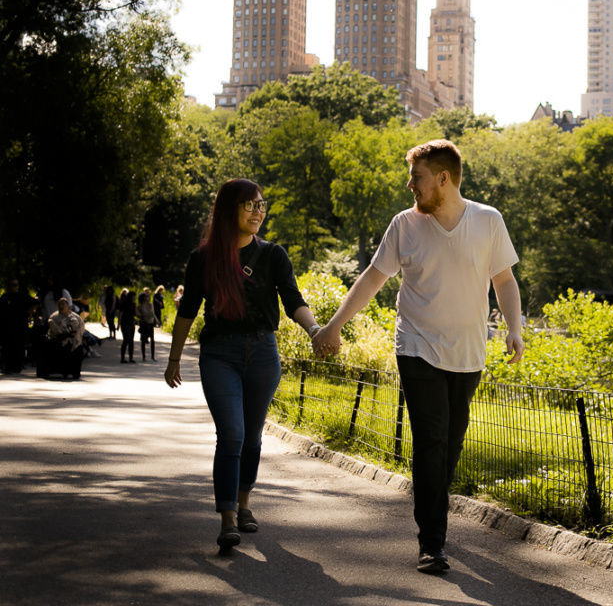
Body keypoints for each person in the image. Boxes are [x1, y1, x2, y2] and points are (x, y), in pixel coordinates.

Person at [314, 139, 524, 575]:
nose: (410, 184)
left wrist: (515, 329)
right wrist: (334, 325)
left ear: (443, 179)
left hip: (468, 352)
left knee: (449, 442)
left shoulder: (488, 221)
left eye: (418, 177)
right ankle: (432, 543)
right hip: (416, 346)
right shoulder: (404, 225)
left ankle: (434, 509)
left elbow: (503, 280)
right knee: (431, 439)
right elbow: (373, 278)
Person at [165, 178, 321, 552]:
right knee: (232, 434)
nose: (257, 212)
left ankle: (245, 502)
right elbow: (187, 311)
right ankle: (228, 518)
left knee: (252, 437)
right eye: (249, 205)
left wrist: (315, 329)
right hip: (220, 355)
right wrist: (173, 359)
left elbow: (293, 299)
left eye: (261, 205)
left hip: (263, 354)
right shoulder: (203, 258)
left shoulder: (273, 255)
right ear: (228, 209)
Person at [1, 278, 36, 374]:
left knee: (19, 346)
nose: (15, 287)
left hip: (20, 326)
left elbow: (35, 302)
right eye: (13, 285)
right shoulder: (5, 296)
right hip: (7, 326)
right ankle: (8, 366)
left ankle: (17, 366)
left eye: (16, 285)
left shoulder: (22, 296)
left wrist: (30, 313)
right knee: (8, 347)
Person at [44, 297, 84, 379]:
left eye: (63, 304)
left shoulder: (76, 317)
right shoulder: (54, 317)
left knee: (77, 349)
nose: (61, 306)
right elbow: (53, 330)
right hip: (58, 339)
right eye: (60, 304)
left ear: (68, 306)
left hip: (73, 341)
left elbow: (81, 328)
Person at [117, 288, 136, 363]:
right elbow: (120, 314)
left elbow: (135, 314)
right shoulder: (124, 304)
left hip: (131, 323)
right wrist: (118, 324)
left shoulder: (134, 304)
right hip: (125, 323)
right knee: (126, 340)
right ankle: (122, 358)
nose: (135, 298)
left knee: (131, 341)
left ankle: (130, 358)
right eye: (134, 296)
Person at [137, 289, 157, 361]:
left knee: (152, 340)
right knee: (143, 340)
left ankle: (152, 356)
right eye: (146, 297)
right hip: (143, 324)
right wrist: (143, 316)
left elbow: (152, 313)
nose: (147, 298)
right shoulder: (140, 306)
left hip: (150, 323)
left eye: (148, 297)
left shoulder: (150, 305)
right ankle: (144, 356)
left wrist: (156, 320)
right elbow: (138, 315)